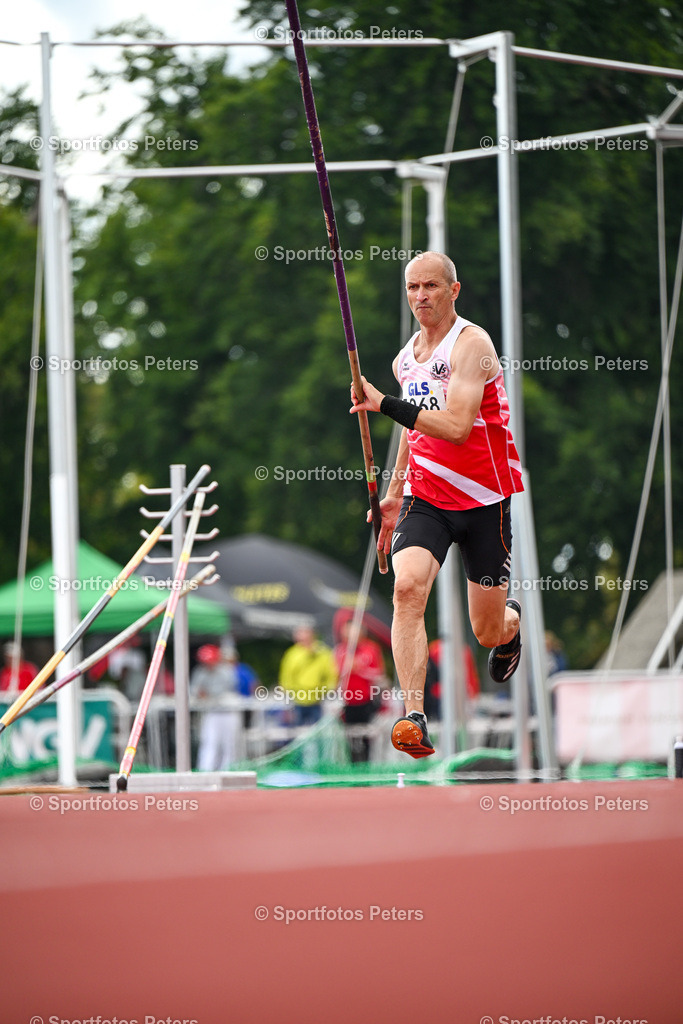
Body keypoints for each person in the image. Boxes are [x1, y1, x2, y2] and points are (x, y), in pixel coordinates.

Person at [350, 250, 523, 759]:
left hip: (484, 501)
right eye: (412, 288)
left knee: (485, 630)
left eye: (430, 286)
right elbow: (413, 433)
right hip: (426, 499)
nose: (420, 296)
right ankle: (414, 717)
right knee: (406, 589)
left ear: (454, 290)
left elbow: (454, 427)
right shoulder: (406, 358)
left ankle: (511, 624)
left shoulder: (473, 345)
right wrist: (394, 492)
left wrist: (384, 403)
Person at [334, 620, 385, 762]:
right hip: (347, 701)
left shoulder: (371, 649)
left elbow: (378, 673)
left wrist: (360, 668)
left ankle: (367, 762)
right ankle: (353, 762)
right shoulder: (340, 650)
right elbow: (335, 674)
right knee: (349, 736)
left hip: (366, 699)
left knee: (366, 735)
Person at [191, 643, 240, 771]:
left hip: (228, 712)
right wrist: (202, 694)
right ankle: (205, 770)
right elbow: (196, 691)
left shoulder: (226, 671)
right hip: (211, 712)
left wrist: (208, 694)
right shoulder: (200, 672)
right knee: (209, 742)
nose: (208, 665)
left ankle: (228, 770)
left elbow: (225, 689)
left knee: (229, 745)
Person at [278, 624, 337, 728]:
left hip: (319, 700)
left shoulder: (323, 652)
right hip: (297, 700)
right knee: (297, 731)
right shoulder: (292, 654)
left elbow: (331, 674)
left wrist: (328, 690)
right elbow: (286, 676)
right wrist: (288, 692)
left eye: (304, 633)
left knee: (318, 731)